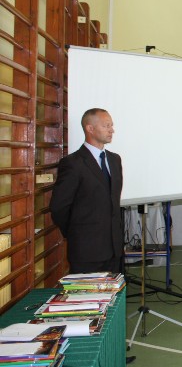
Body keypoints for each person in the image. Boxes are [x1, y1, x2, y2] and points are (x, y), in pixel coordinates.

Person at [51, 108, 123, 274]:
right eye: (106, 126)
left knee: (115, 291)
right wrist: (77, 233)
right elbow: (59, 207)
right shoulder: (73, 163)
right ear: (90, 128)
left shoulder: (114, 160)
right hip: (86, 252)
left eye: (111, 125)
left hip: (114, 250)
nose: (111, 130)